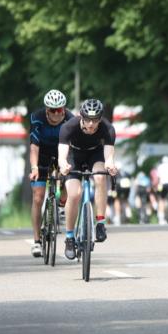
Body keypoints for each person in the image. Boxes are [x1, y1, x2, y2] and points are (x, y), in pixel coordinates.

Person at [58, 99, 118, 260]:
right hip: (74, 156)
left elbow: (109, 156)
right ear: (81, 116)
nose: (91, 124)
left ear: (100, 118)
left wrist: (111, 166)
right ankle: (69, 237)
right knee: (75, 194)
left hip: (95, 154)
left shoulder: (108, 128)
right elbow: (62, 156)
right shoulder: (68, 127)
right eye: (88, 120)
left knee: (99, 177)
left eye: (95, 120)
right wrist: (63, 165)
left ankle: (100, 223)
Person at [27, 89, 73, 257]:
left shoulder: (70, 118)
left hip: (63, 153)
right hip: (42, 155)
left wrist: (67, 165)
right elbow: (34, 146)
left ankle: (61, 205)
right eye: (53, 110)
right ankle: (37, 241)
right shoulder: (37, 117)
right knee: (38, 196)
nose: (57, 114)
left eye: (60, 109)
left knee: (68, 181)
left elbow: (73, 145)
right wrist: (34, 168)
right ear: (47, 110)